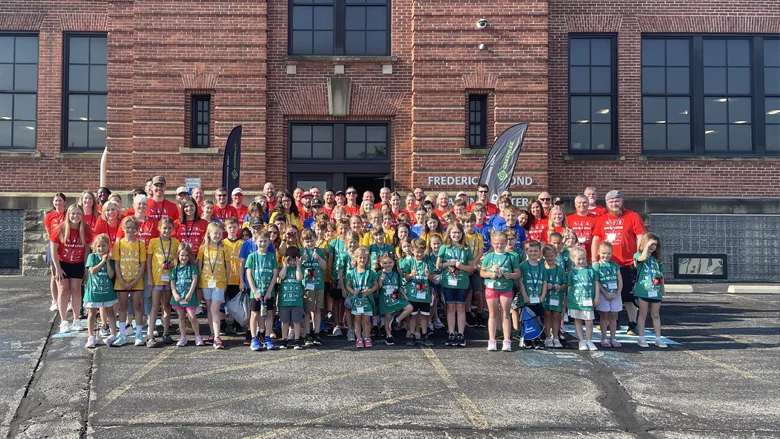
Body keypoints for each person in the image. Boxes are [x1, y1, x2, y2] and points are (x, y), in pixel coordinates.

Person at [591, 190, 646, 336]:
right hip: (607, 264)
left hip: (627, 263)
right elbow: (596, 239)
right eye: (611, 202)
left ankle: (632, 323)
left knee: (628, 295)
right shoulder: (602, 219)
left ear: (622, 201)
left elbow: (641, 236)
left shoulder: (632, 216)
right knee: (607, 293)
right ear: (606, 203)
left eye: (617, 201)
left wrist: (639, 256)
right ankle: (611, 321)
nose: (614, 204)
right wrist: (594, 260)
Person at [51, 204, 93, 333]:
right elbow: (53, 250)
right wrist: (57, 268)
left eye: (78, 213)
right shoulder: (60, 228)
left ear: (82, 215)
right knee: (63, 290)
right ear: (68, 215)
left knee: (76, 290)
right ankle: (63, 321)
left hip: (77, 263)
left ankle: (76, 319)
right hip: (62, 262)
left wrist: (86, 267)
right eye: (73, 213)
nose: (75, 216)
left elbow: (87, 250)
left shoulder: (86, 229)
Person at [480, 231, 520, 352]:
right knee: (492, 314)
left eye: (502, 243)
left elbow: (518, 274)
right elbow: (482, 272)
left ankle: (507, 340)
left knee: (506, 314)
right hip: (491, 288)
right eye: (497, 243)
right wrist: (490, 275)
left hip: (506, 288)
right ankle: (492, 340)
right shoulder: (489, 256)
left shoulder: (511, 256)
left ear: (506, 243)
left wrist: (509, 275)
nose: (499, 246)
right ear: (492, 243)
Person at [437, 222, 474, 347]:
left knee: (461, 307)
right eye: (453, 232)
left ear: (462, 234)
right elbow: (438, 265)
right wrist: (449, 263)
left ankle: (461, 334)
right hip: (448, 282)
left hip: (462, 282)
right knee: (450, 308)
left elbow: (471, 268)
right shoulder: (444, 247)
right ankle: (451, 333)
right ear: (449, 233)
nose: (456, 235)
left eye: (458, 232)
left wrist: (461, 266)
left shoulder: (466, 249)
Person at [112, 217, 147, 346]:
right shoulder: (119, 244)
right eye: (127, 228)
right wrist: (121, 280)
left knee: (137, 306)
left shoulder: (140, 244)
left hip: (136, 281)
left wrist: (136, 280)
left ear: (137, 229)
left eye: (133, 228)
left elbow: (142, 264)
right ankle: (122, 334)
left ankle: (138, 334)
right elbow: (116, 264)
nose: (130, 230)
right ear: (123, 228)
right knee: (123, 307)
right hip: (122, 281)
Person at [146, 218, 180, 347]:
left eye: (169, 228)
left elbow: (177, 259)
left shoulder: (175, 242)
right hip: (157, 279)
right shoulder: (154, 242)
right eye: (164, 228)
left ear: (173, 229)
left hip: (169, 279)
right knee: (155, 306)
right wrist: (150, 278)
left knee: (167, 306)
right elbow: (149, 261)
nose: (167, 230)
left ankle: (166, 333)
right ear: (159, 228)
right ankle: (150, 335)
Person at [245, 230, 279, 351]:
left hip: (268, 292)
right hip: (256, 292)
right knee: (254, 314)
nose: (263, 244)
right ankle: (254, 338)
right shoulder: (252, 257)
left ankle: (267, 338)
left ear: (269, 242)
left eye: (265, 241)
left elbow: (275, 275)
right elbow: (249, 275)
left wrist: (269, 291)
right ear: (255, 241)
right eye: (260, 241)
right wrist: (254, 291)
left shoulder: (272, 257)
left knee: (268, 314)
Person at [198, 222, 230, 350]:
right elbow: (199, 265)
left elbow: (228, 266)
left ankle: (217, 336)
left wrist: (226, 281)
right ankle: (212, 333)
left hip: (219, 282)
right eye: (215, 233)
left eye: (219, 233)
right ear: (209, 234)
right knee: (209, 308)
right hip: (206, 282)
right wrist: (198, 283)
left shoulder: (224, 248)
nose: (217, 236)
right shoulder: (203, 248)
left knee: (215, 309)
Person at [83, 234, 119, 348]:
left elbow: (111, 275)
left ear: (108, 246)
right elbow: (92, 271)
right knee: (91, 313)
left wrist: (107, 262)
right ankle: (91, 336)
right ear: (95, 247)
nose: (101, 248)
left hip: (107, 291)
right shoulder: (92, 257)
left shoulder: (111, 259)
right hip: (93, 292)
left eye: (103, 246)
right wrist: (102, 261)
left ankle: (113, 335)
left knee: (110, 312)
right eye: (98, 246)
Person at [634, 233, 666, 348]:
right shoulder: (638, 255)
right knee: (643, 313)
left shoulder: (657, 260)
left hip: (655, 290)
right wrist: (646, 247)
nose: (653, 247)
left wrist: (662, 288)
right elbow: (642, 259)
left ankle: (658, 338)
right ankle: (641, 338)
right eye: (651, 244)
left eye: (655, 245)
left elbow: (660, 274)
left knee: (655, 314)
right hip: (643, 290)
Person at [401, 238, 435, 346]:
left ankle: (424, 335)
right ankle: (412, 335)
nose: (419, 254)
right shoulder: (409, 262)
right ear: (412, 251)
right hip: (413, 294)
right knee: (413, 316)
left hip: (424, 295)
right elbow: (406, 278)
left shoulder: (428, 262)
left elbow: (431, 278)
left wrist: (428, 274)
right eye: (417, 252)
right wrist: (411, 275)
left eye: (421, 252)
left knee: (424, 316)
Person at [345, 247, 379, 348]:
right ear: (356, 258)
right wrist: (353, 292)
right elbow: (347, 285)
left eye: (365, 258)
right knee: (357, 320)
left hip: (367, 300)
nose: (362, 260)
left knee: (367, 320)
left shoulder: (371, 272)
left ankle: (367, 337)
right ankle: (359, 338)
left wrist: (369, 291)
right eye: (360, 257)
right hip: (356, 301)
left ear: (368, 259)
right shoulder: (351, 273)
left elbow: (376, 285)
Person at [170, 243, 202, 347]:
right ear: (178, 256)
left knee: (192, 316)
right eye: (182, 255)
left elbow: (194, 280)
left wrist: (190, 293)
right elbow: (172, 282)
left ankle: (197, 336)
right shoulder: (175, 269)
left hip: (189, 296)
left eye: (186, 255)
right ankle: (183, 337)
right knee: (181, 317)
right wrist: (175, 294)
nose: (184, 258)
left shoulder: (192, 267)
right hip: (178, 296)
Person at [377, 253, 412, 346]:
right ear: (381, 264)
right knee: (387, 317)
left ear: (394, 263)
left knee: (409, 308)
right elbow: (379, 287)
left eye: (390, 262)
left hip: (395, 297)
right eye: (385, 263)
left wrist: (405, 296)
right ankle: (389, 335)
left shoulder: (396, 274)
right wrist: (380, 279)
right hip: (385, 298)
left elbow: (399, 286)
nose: (388, 265)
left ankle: (396, 320)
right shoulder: (380, 273)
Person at [567, 246, 599, 351]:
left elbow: (596, 284)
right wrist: (568, 301)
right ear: (573, 259)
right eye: (579, 259)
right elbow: (569, 287)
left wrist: (597, 297)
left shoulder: (591, 270)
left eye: (583, 258)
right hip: (576, 301)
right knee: (578, 321)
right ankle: (581, 340)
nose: (581, 261)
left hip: (588, 300)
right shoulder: (572, 272)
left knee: (589, 321)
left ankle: (589, 340)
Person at [300, 229, 327, 346]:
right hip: (306, 285)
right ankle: (307, 333)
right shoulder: (301, 251)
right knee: (307, 310)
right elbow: (297, 267)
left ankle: (316, 332)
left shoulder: (320, 251)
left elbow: (324, 266)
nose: (310, 243)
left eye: (312, 240)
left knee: (317, 310)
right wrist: (301, 260)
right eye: (307, 241)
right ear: (302, 242)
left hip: (318, 284)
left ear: (316, 239)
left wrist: (319, 259)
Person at [594, 241, 623, 348]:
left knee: (614, 316)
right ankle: (604, 338)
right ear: (598, 252)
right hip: (604, 295)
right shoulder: (597, 266)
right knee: (604, 315)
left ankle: (613, 338)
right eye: (603, 253)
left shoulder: (615, 265)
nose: (606, 256)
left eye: (608, 253)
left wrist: (618, 293)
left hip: (615, 294)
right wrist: (605, 294)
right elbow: (597, 282)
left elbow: (620, 280)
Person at [519, 240, 547, 349]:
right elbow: (521, 281)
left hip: (538, 298)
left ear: (539, 252)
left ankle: (538, 339)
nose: (533, 253)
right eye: (530, 251)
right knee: (527, 319)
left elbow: (544, 282)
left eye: (535, 251)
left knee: (538, 319)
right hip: (527, 298)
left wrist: (543, 296)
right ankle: (527, 339)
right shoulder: (523, 265)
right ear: (526, 252)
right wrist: (525, 296)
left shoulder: (542, 266)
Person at [277, 246, 305, 349]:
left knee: (296, 321)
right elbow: (281, 276)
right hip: (284, 301)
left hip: (296, 301)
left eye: (294, 260)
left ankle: (297, 340)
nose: (292, 262)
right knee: (284, 321)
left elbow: (299, 278)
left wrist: (298, 266)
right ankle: (284, 339)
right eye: (290, 260)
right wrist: (285, 265)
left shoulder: (300, 269)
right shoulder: (284, 268)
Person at [44, 193, 67, 311]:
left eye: (60, 200)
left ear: (64, 202)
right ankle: (54, 300)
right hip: (54, 245)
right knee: (54, 274)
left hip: (66, 246)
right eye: (56, 201)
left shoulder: (68, 214)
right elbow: (49, 232)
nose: (58, 203)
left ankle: (66, 300)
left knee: (66, 273)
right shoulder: (50, 216)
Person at [222, 217, 245, 332]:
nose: (232, 229)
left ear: (238, 228)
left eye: (234, 227)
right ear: (225, 228)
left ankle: (237, 323)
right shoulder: (222, 243)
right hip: (224, 278)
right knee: (222, 302)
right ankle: (223, 323)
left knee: (236, 303)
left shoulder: (242, 243)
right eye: (230, 227)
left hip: (237, 278)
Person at [542, 244, 566, 348]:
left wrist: (560, 287)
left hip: (557, 297)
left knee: (556, 316)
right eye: (547, 256)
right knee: (547, 316)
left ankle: (555, 337)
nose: (549, 258)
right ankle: (548, 337)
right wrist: (545, 286)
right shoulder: (542, 268)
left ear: (556, 255)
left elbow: (565, 284)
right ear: (543, 256)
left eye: (552, 256)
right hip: (546, 297)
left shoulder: (560, 270)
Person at [567, 195, 597, 262]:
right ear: (575, 204)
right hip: (573, 257)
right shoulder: (568, 219)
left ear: (588, 204)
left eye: (584, 202)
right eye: (579, 203)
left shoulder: (596, 218)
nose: (582, 205)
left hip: (590, 256)